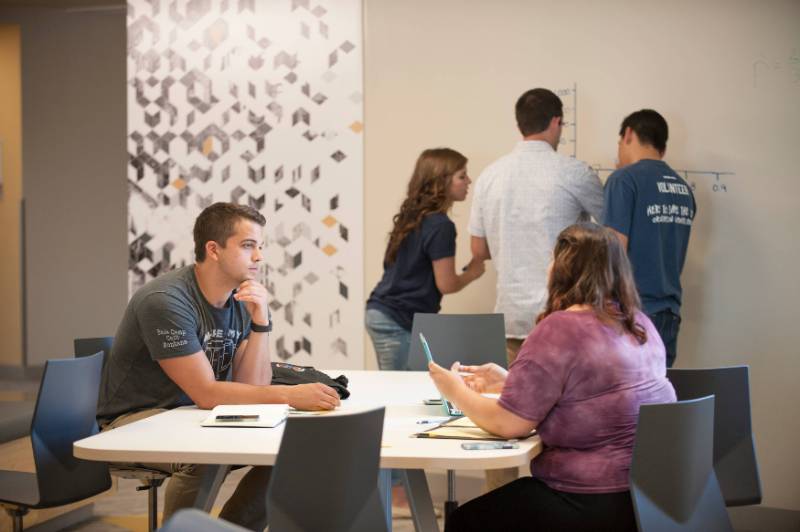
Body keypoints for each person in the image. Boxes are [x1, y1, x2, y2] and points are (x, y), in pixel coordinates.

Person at [97, 202, 340, 530]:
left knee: (291, 448)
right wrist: (290, 395)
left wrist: (261, 322)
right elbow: (207, 393)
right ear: (213, 249)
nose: (259, 257)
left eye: (260, 247)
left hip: (192, 414)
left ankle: (233, 528)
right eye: (248, 246)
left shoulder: (238, 298)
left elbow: (253, 386)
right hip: (132, 421)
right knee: (201, 455)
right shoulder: (165, 301)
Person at [428, 222, 676, 532]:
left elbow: (508, 424)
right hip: (647, 499)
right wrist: (509, 381)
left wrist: (455, 391)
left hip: (586, 500)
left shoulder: (561, 328)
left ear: (565, 269)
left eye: (552, 259)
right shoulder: (639, 324)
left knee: (465, 521)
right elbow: (597, 391)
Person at [468, 87, 603, 490]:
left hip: (509, 315)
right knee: (565, 425)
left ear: (519, 124)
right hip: (566, 322)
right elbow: (611, 236)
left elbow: (478, 248)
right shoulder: (574, 172)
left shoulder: (491, 175)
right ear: (557, 122)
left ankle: (501, 510)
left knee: (503, 424)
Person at [365, 147, 485, 371]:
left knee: (403, 388)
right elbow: (446, 284)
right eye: (462, 176)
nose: (469, 181)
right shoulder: (441, 226)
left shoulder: (412, 217)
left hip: (384, 312)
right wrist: (473, 273)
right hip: (396, 318)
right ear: (442, 181)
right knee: (400, 392)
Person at [603, 109, 696, 367]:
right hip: (670, 315)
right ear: (662, 149)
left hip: (632, 314)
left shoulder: (623, 180)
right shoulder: (683, 189)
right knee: (658, 401)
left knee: (627, 403)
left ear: (628, 134)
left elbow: (614, 251)